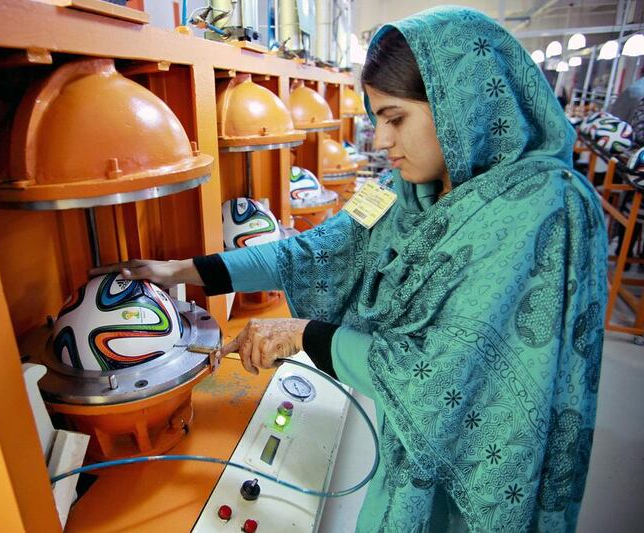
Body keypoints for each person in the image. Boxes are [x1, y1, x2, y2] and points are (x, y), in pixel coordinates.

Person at [95, 6, 607, 532]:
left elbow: (435, 375)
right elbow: (310, 251)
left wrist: (302, 334)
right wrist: (182, 271)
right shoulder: (403, 194)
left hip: (477, 479)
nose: (382, 142)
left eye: (396, 118)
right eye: (375, 119)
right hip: (409, 454)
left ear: (462, 104)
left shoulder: (538, 211)